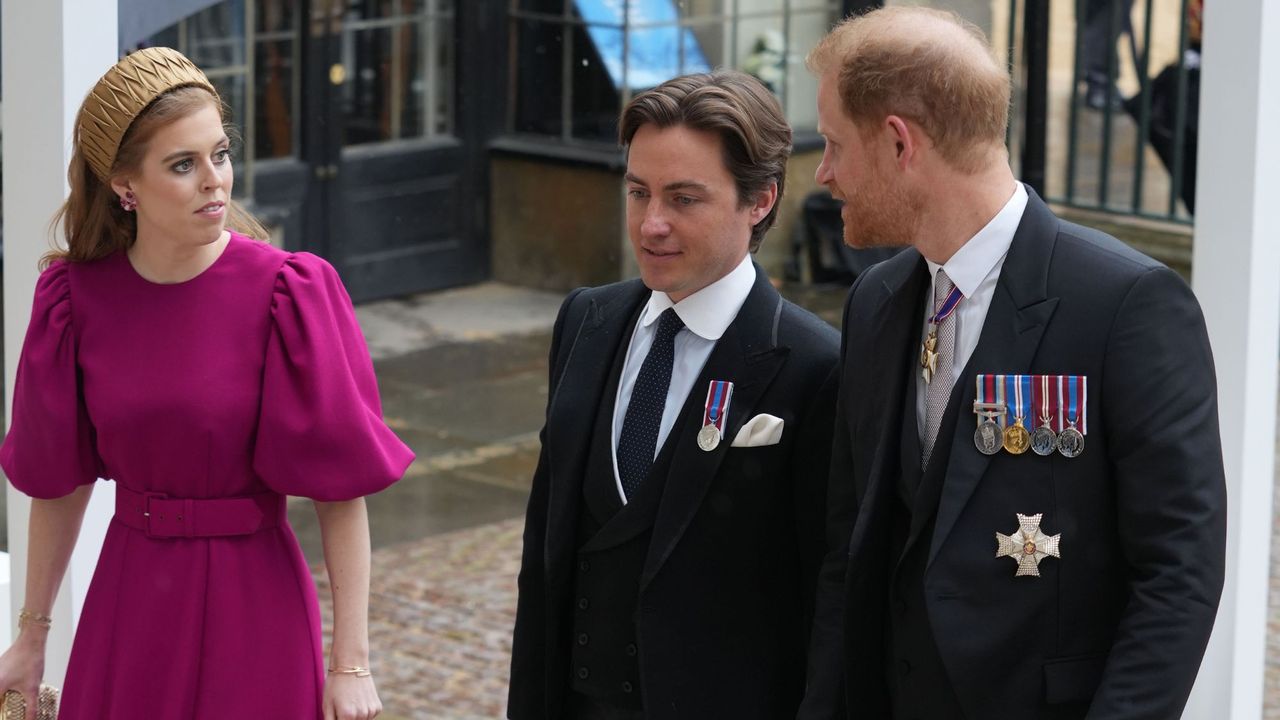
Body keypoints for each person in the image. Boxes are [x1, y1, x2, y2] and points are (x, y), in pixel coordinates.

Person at [799, 8, 1225, 719]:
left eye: (837, 145)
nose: (824, 172)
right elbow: (852, 552)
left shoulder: (1126, 305)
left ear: (900, 143)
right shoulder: (876, 301)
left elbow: (1177, 575)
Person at [0, 48, 413, 720]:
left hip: (258, 604)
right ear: (123, 186)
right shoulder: (72, 302)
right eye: (183, 165)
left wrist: (351, 664)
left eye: (219, 154)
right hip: (130, 605)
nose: (214, 181)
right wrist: (31, 632)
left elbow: (341, 493)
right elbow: (60, 481)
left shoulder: (289, 293)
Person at [508, 70, 840, 720]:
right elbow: (546, 557)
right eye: (638, 193)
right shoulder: (586, 321)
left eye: (684, 199)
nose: (651, 224)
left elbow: (825, 603)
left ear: (761, 200)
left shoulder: (816, 366)